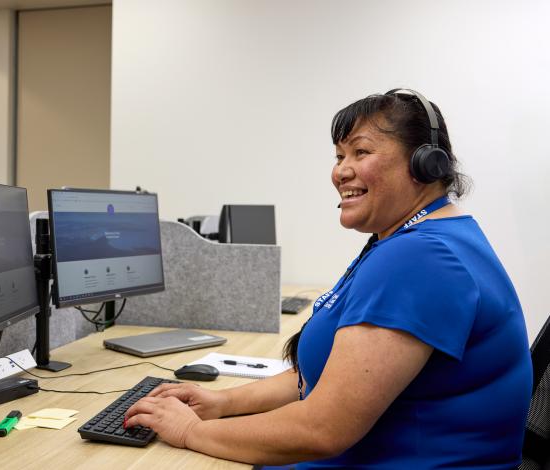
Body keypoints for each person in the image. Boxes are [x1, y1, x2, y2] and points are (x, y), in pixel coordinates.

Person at [125, 89, 533, 468]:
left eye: (361, 152)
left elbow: (323, 428)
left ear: (424, 163)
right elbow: (320, 377)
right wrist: (221, 403)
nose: (342, 172)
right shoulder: (419, 239)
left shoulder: (421, 258)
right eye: (339, 156)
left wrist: (190, 430)